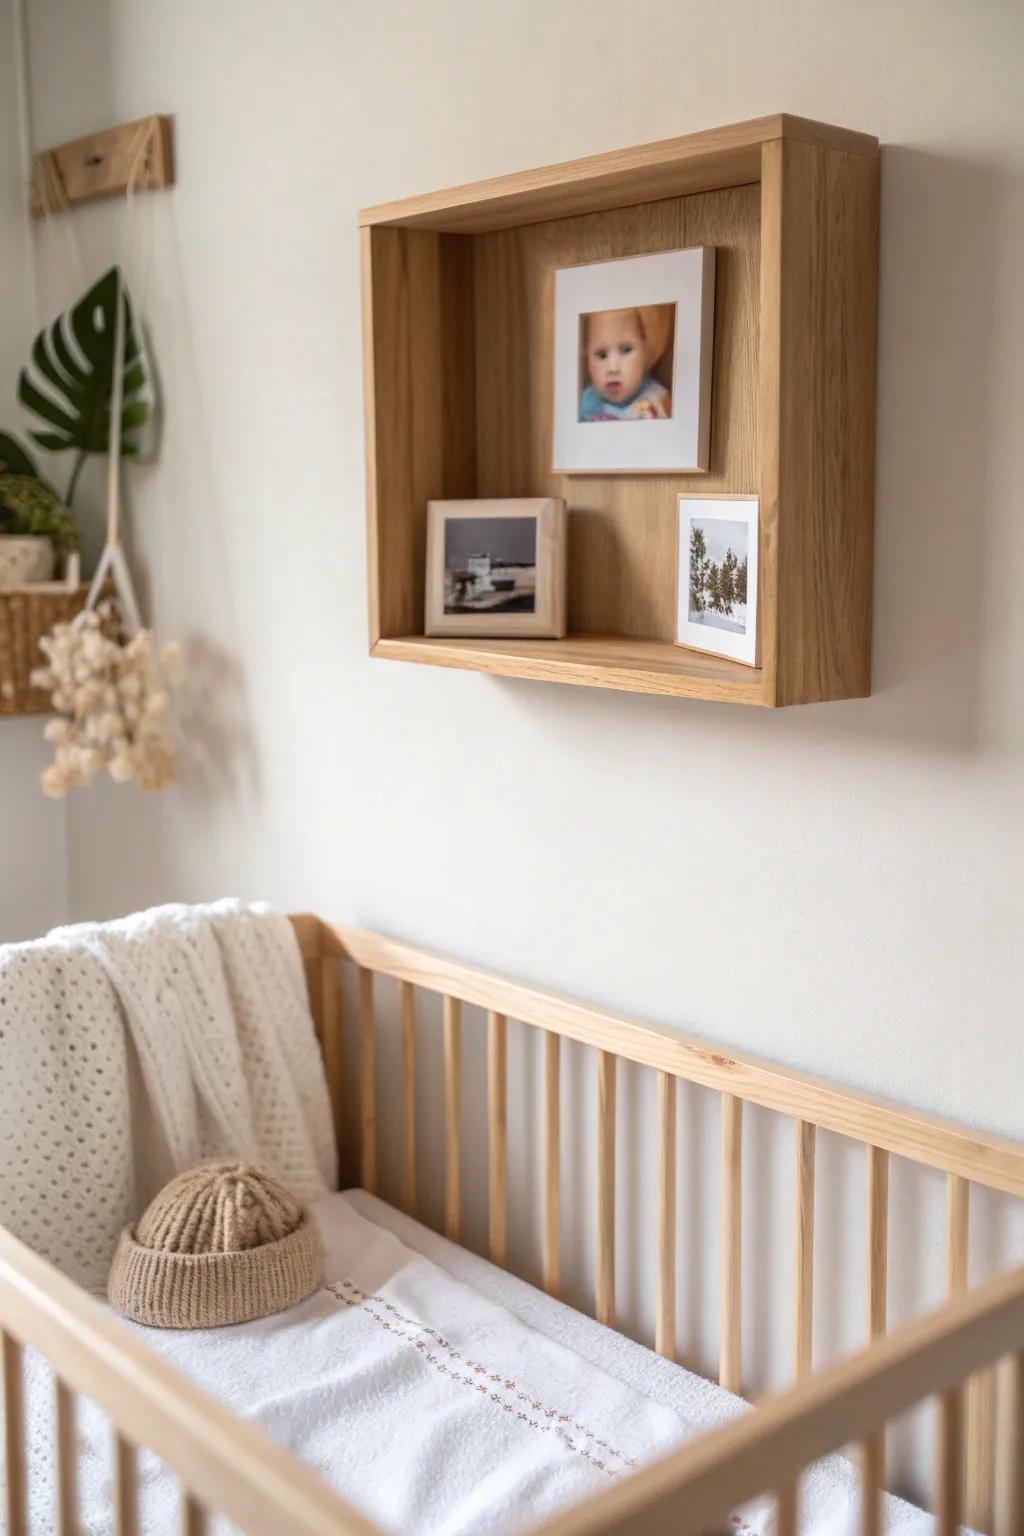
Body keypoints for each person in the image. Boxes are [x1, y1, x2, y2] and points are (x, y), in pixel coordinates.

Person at [578, 305, 673, 422]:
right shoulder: (581, 405)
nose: (613, 368)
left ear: (645, 351)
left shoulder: (659, 401)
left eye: (626, 350)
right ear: (586, 355)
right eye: (602, 355)